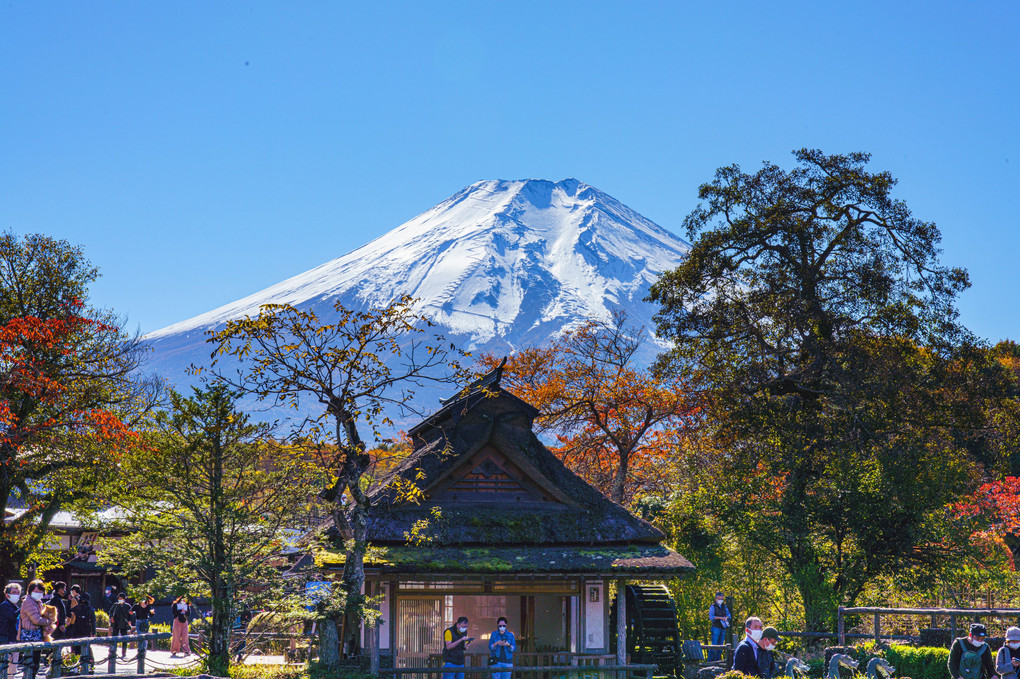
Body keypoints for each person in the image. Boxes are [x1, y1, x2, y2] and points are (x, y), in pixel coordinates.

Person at [19, 579, 56, 677]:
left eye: (40, 592)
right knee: (30, 665)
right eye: (35, 591)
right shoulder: (28, 602)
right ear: (30, 591)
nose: (38, 593)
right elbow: (37, 620)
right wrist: (50, 622)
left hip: (37, 635)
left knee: (35, 664)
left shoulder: (37, 602)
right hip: (30, 635)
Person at [72, 592, 97, 672]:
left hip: (76, 630)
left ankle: (75, 667)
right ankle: (90, 665)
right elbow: (93, 621)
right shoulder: (91, 609)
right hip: (86, 630)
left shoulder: (76, 608)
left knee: (76, 649)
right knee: (87, 648)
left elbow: (69, 614)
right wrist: (93, 632)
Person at [1, 583, 21, 679]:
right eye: (14, 592)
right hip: (5, 639)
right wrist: (23, 608)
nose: (16, 594)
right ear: (7, 594)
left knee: (12, 669)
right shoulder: (4, 606)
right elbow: (13, 617)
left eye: (18, 593)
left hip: (14, 639)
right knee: (3, 666)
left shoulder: (16, 607)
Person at [108, 591, 132, 658]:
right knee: (114, 637)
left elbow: (130, 615)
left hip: (124, 623)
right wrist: (111, 617)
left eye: (121, 598)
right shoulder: (115, 605)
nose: (120, 599)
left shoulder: (127, 606)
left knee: (124, 638)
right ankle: (113, 651)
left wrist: (129, 622)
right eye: (119, 598)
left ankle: (124, 653)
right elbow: (110, 612)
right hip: (116, 623)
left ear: (124, 599)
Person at [708, 592, 731, 661]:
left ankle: (717, 660)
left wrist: (726, 618)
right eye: (720, 598)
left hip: (723, 627)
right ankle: (710, 660)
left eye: (722, 598)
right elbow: (711, 617)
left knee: (721, 644)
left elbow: (729, 615)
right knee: (714, 644)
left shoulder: (724, 606)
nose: (721, 599)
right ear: (716, 599)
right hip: (716, 627)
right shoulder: (713, 606)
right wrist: (720, 618)